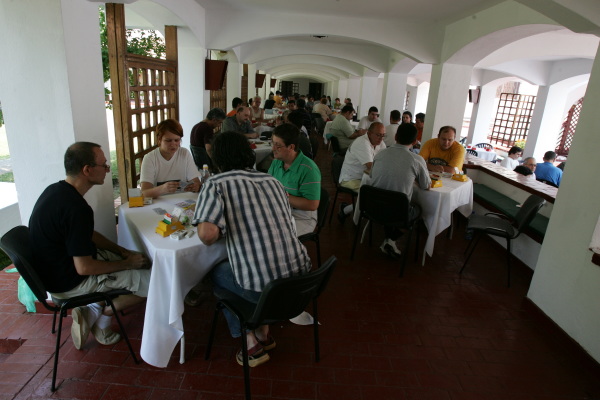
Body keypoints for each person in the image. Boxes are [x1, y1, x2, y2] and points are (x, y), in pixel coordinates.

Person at [193, 131, 311, 368]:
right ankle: (263, 331)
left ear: (218, 158)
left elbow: (207, 235)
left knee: (212, 272)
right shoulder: (273, 181)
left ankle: (249, 338)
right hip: (301, 286)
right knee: (254, 266)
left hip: (266, 293)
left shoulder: (216, 184)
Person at [29, 142, 151, 350]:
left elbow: (88, 235)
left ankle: (92, 310)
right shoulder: (76, 208)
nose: (107, 169)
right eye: (104, 165)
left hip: (53, 273)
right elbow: (84, 268)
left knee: (138, 260)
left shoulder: (56, 190)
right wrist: (127, 263)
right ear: (87, 170)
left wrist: (121, 251)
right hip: (69, 284)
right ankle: (98, 315)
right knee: (153, 283)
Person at [371, 123, 430, 258]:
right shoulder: (416, 159)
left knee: (389, 199)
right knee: (418, 210)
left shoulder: (380, 153)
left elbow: (372, 175)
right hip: (398, 212)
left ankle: (389, 240)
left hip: (373, 208)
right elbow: (426, 185)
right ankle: (391, 239)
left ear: (396, 137)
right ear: (415, 142)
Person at [268, 123, 321, 236]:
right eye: (273, 143)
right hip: (280, 209)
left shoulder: (308, 169)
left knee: (275, 237)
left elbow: (312, 205)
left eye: (278, 145)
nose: (273, 148)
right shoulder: (276, 162)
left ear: (291, 147)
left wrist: (281, 196)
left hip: (302, 216)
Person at [338, 122, 387, 222]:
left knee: (381, 191)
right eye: (378, 135)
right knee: (373, 194)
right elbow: (371, 166)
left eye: (383, 135)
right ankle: (346, 210)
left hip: (365, 177)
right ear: (369, 133)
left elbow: (385, 161)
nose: (381, 138)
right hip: (350, 179)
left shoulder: (380, 143)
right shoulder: (362, 143)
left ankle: (349, 209)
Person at [140, 119, 201, 198]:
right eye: (168, 141)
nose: (173, 144)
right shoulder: (150, 158)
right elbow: (144, 193)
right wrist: (162, 189)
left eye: (177, 140)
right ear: (159, 140)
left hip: (182, 200)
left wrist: (195, 186)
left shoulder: (184, 153)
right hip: (159, 202)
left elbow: (196, 182)